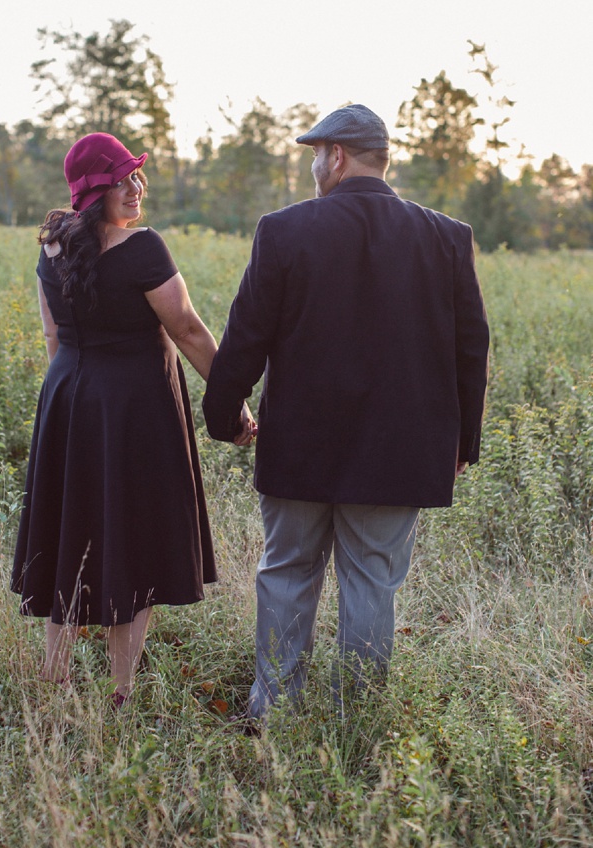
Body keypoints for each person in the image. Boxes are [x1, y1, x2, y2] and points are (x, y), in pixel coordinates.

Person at [202, 103, 491, 723]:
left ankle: (273, 708)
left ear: (335, 157)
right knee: (372, 583)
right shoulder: (447, 237)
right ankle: (354, 721)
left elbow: (245, 336)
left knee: (286, 573)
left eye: (315, 154)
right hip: (399, 452)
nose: (313, 165)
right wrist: (464, 442)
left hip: (300, 446)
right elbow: (473, 347)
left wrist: (225, 416)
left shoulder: (284, 230)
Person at [11, 131, 255, 704]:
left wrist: (75, 399)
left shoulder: (51, 249)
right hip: (136, 411)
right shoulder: (144, 248)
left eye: (137, 176)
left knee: (71, 532)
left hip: (68, 402)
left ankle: (58, 678)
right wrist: (234, 404)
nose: (136, 187)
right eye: (122, 180)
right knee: (135, 537)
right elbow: (189, 330)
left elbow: (53, 336)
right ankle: (120, 692)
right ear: (95, 192)